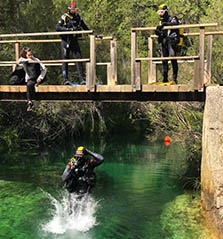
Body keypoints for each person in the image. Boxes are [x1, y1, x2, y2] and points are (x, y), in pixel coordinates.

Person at [56, 1, 89, 86]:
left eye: (74, 9)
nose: (73, 10)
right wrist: (68, 30)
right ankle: (65, 79)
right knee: (65, 60)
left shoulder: (78, 17)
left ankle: (82, 79)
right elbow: (58, 27)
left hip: (74, 41)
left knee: (79, 59)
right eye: (72, 9)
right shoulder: (64, 17)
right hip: (65, 41)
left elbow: (85, 27)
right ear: (69, 9)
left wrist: (92, 34)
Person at [155, 4, 180, 84]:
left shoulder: (172, 18)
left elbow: (175, 24)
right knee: (164, 60)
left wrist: (165, 24)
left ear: (166, 11)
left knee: (173, 59)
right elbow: (161, 32)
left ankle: (174, 78)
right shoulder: (160, 21)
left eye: (162, 12)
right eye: (159, 12)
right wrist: (158, 32)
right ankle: (165, 78)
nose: (160, 14)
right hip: (164, 42)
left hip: (172, 42)